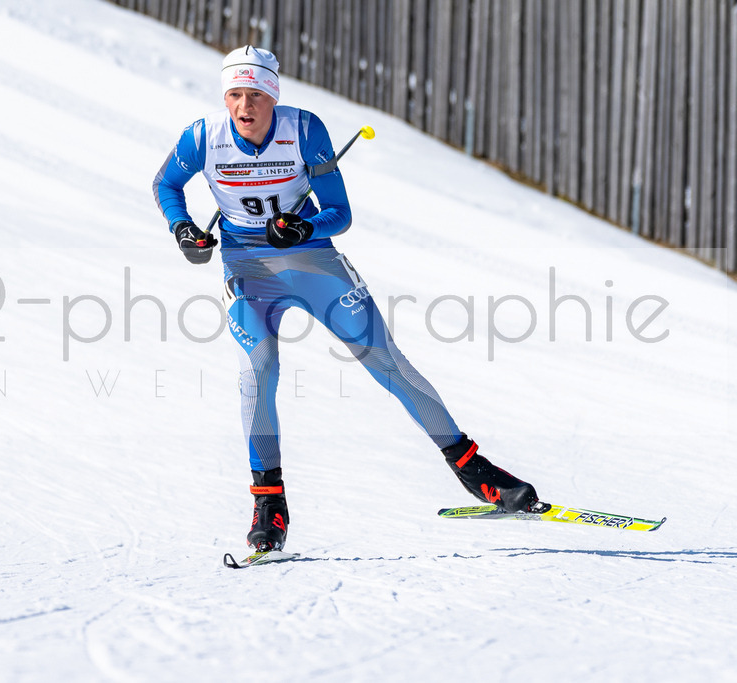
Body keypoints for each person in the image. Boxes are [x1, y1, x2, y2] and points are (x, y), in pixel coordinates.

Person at [153, 46, 540, 552]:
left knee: (385, 359)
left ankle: (475, 471)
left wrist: (304, 227)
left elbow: (339, 212)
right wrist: (184, 230)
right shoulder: (203, 137)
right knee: (258, 368)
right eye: (234, 95)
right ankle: (269, 503)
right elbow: (166, 184)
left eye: (255, 95)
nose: (244, 107)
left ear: (273, 96)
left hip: (313, 261)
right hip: (247, 267)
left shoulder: (304, 130)